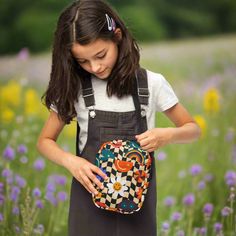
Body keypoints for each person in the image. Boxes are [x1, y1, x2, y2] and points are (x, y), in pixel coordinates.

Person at [37, 0, 201, 235]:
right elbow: (44, 141)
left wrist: (168, 135)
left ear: (117, 36)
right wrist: (71, 162)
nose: (94, 66)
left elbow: (192, 129)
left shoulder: (151, 83)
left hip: (138, 207)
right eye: (82, 61)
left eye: (100, 55)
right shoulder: (75, 88)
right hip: (88, 204)